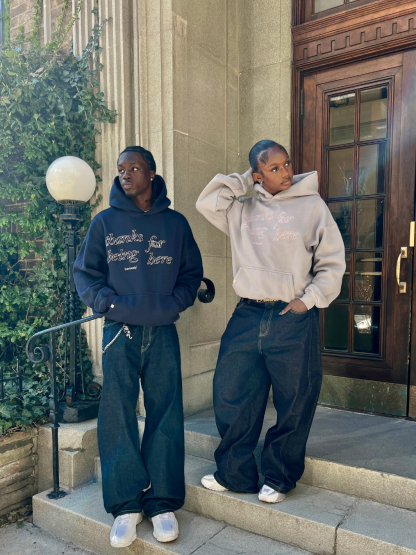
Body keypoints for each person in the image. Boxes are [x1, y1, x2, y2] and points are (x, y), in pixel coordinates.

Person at [196, 140, 345, 503]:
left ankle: (278, 478)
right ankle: (235, 474)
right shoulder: (242, 209)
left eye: (287, 164)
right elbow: (207, 202)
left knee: (295, 399)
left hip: (291, 316)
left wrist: (307, 301)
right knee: (231, 393)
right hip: (248, 313)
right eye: (274, 168)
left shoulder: (312, 206)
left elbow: (331, 263)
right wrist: (246, 181)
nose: (286, 172)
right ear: (258, 174)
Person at [74, 146, 203, 547]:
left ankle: (161, 503)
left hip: (162, 330)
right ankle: (126, 506)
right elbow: (85, 274)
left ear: (151, 173)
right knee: (116, 414)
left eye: (134, 168)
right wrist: (109, 304)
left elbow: (191, 274)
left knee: (166, 411)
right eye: (120, 169)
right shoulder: (105, 222)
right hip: (120, 330)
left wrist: (173, 304)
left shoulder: (175, 224)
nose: (125, 174)